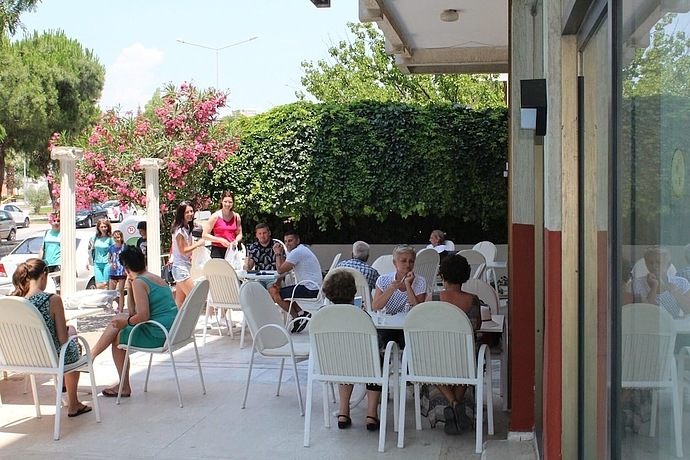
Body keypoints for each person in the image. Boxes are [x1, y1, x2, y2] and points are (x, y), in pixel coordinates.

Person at [89, 246, 178, 398]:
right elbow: (132, 313)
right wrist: (130, 289)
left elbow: (142, 316)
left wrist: (126, 323)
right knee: (117, 319)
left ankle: (122, 384)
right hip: (172, 330)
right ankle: (92, 356)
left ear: (126, 269)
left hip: (159, 333)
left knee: (117, 338)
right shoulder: (154, 278)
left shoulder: (140, 282)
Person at [11, 258, 92, 417]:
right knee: (72, 342)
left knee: (71, 334)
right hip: (49, 358)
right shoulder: (52, 300)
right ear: (44, 275)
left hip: (22, 358)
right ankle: (73, 403)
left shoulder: (15, 301)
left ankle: (69, 395)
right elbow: (62, 339)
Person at [321, 269, 382, 432]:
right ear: (353, 292)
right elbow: (375, 342)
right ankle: (371, 413)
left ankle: (343, 411)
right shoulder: (361, 315)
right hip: (363, 365)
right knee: (378, 359)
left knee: (345, 359)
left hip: (332, 365)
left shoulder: (322, 315)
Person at [431, 254, 480, 435]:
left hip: (438, 359)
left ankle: (452, 404)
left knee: (429, 363)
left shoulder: (433, 298)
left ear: (442, 275)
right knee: (469, 360)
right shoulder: (473, 300)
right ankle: (457, 407)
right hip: (464, 360)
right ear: (465, 276)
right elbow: (477, 325)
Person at [372, 245, 427, 349]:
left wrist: (408, 285)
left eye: (411, 261)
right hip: (388, 325)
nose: (408, 265)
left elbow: (418, 309)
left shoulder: (420, 281)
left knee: (408, 341)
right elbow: (375, 307)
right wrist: (390, 289)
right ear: (395, 262)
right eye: (403, 261)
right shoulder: (384, 280)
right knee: (380, 339)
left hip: (409, 325)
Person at [269, 230, 322, 333]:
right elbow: (284, 267)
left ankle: (296, 317)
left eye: (290, 241)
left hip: (310, 288)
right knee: (277, 291)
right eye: (286, 241)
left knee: (276, 294)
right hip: (313, 286)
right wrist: (281, 254)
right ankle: (301, 314)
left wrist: (277, 254)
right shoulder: (300, 250)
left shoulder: (297, 252)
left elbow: (280, 270)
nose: (287, 244)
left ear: (297, 241)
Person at [630, 246, 690, 318]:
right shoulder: (638, 283)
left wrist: (675, 292)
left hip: (674, 323)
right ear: (646, 264)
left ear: (668, 264)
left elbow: (688, 310)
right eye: (650, 262)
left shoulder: (681, 282)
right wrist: (654, 287)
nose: (654, 266)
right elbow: (645, 312)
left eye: (658, 262)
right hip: (649, 323)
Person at [171, 201, 206, 308]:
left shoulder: (187, 228)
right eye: (187, 212)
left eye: (191, 211)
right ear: (182, 214)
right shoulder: (180, 231)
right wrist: (197, 244)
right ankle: (190, 318)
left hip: (183, 266)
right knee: (195, 298)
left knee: (180, 302)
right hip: (180, 268)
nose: (190, 214)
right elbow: (183, 250)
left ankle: (179, 319)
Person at [202, 191, 243, 259]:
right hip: (217, 250)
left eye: (230, 202)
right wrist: (220, 240)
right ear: (222, 202)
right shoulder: (215, 216)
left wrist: (236, 241)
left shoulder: (236, 217)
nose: (227, 204)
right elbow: (204, 235)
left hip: (231, 251)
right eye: (225, 201)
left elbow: (239, 234)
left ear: (233, 203)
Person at [244, 222, 279, 288]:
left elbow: (281, 267)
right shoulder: (253, 247)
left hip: (274, 278)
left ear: (269, 233)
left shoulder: (277, 246)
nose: (262, 236)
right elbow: (249, 268)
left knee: (272, 289)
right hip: (259, 278)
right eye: (259, 233)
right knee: (250, 288)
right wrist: (247, 263)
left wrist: (278, 254)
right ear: (256, 235)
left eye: (264, 233)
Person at [38, 212, 62, 292]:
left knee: (58, 287)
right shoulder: (47, 233)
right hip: (47, 264)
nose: (56, 223)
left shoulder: (63, 234)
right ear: (50, 222)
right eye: (54, 221)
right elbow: (42, 248)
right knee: (48, 287)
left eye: (58, 221)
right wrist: (38, 262)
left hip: (58, 264)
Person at [88, 219, 114, 290]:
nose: (103, 229)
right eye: (101, 227)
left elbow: (114, 251)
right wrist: (88, 261)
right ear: (98, 228)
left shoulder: (110, 239)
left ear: (108, 227)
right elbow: (90, 250)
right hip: (97, 263)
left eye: (105, 227)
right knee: (99, 285)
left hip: (107, 263)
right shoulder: (95, 238)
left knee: (105, 284)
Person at [108, 230, 127, 313]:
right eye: (115, 238)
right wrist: (111, 264)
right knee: (111, 291)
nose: (116, 239)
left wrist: (126, 269)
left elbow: (127, 259)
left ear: (121, 237)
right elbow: (109, 258)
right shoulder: (111, 248)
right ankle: (118, 304)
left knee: (121, 291)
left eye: (118, 237)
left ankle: (121, 309)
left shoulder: (124, 247)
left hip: (121, 270)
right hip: (113, 271)